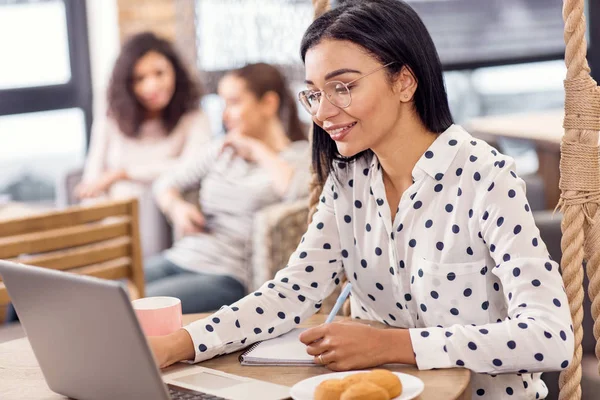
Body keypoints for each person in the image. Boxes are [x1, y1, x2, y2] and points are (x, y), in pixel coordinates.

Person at [148, 2, 574, 399]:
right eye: (315, 93)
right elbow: (293, 291)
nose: (323, 112)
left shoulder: (485, 176)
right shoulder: (349, 180)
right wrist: (180, 343)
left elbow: (550, 337)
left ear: (404, 81)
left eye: (344, 87)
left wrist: (391, 344)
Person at [147, 62, 310, 314]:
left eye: (234, 102)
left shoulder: (297, 157)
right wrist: (176, 208)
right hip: (183, 256)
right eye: (223, 104)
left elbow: (295, 193)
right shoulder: (222, 150)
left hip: (227, 275)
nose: (225, 115)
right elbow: (165, 183)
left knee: (134, 304)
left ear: (268, 104)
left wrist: (256, 148)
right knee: (112, 288)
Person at [75, 32, 212, 257]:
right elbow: (94, 174)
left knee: (141, 192)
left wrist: (122, 174)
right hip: (114, 221)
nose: (152, 86)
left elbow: (192, 166)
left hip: (164, 216)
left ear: (174, 71)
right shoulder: (112, 114)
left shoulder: (193, 115)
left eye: (159, 73)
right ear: (128, 84)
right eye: (140, 79)